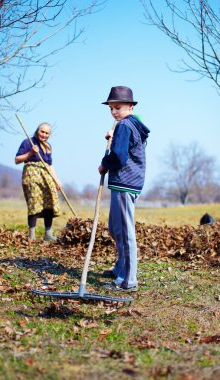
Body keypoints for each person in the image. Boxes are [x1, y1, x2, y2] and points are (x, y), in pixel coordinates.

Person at [98, 86, 150, 292]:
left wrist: (104, 163)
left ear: (130, 106)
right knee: (115, 228)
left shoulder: (125, 126)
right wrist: (114, 135)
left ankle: (128, 280)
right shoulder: (133, 124)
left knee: (125, 231)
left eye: (117, 107)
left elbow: (119, 157)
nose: (113, 112)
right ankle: (120, 267)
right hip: (127, 182)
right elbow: (127, 145)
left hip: (124, 182)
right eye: (111, 108)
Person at [15, 122, 61, 241]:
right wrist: (31, 153)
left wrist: (57, 181)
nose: (44, 135)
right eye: (42, 131)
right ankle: (32, 236)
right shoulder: (28, 142)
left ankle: (48, 234)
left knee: (50, 202)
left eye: (47, 133)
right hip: (32, 175)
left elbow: (50, 165)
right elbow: (17, 159)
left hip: (46, 176)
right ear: (37, 131)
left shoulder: (48, 146)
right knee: (34, 203)